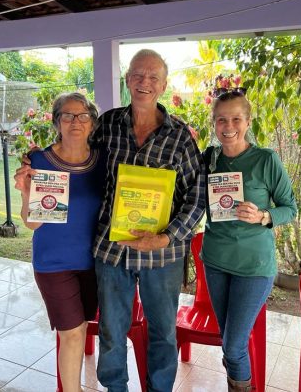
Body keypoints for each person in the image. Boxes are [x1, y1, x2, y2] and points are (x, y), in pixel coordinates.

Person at [93, 49, 206, 392]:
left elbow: (197, 196)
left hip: (162, 253)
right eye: (138, 75)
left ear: (163, 85)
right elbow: (80, 163)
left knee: (163, 332)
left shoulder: (180, 136)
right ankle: (115, 388)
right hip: (112, 248)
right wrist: (41, 165)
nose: (145, 82)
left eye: (153, 77)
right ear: (127, 79)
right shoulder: (107, 124)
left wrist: (166, 236)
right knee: (112, 330)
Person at [201, 90, 297, 392]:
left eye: (236, 119)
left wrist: (263, 216)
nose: (228, 126)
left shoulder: (265, 160)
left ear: (248, 121)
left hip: (254, 266)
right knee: (229, 340)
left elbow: (290, 208)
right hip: (216, 261)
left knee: (233, 345)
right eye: (221, 120)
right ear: (214, 123)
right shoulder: (209, 159)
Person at [14, 92, 104, 392]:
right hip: (53, 263)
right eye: (67, 115)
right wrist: (26, 192)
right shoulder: (39, 161)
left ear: (92, 122)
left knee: (83, 327)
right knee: (72, 332)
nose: (75, 121)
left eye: (83, 115)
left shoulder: (103, 160)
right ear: (57, 122)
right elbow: (33, 222)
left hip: (94, 262)